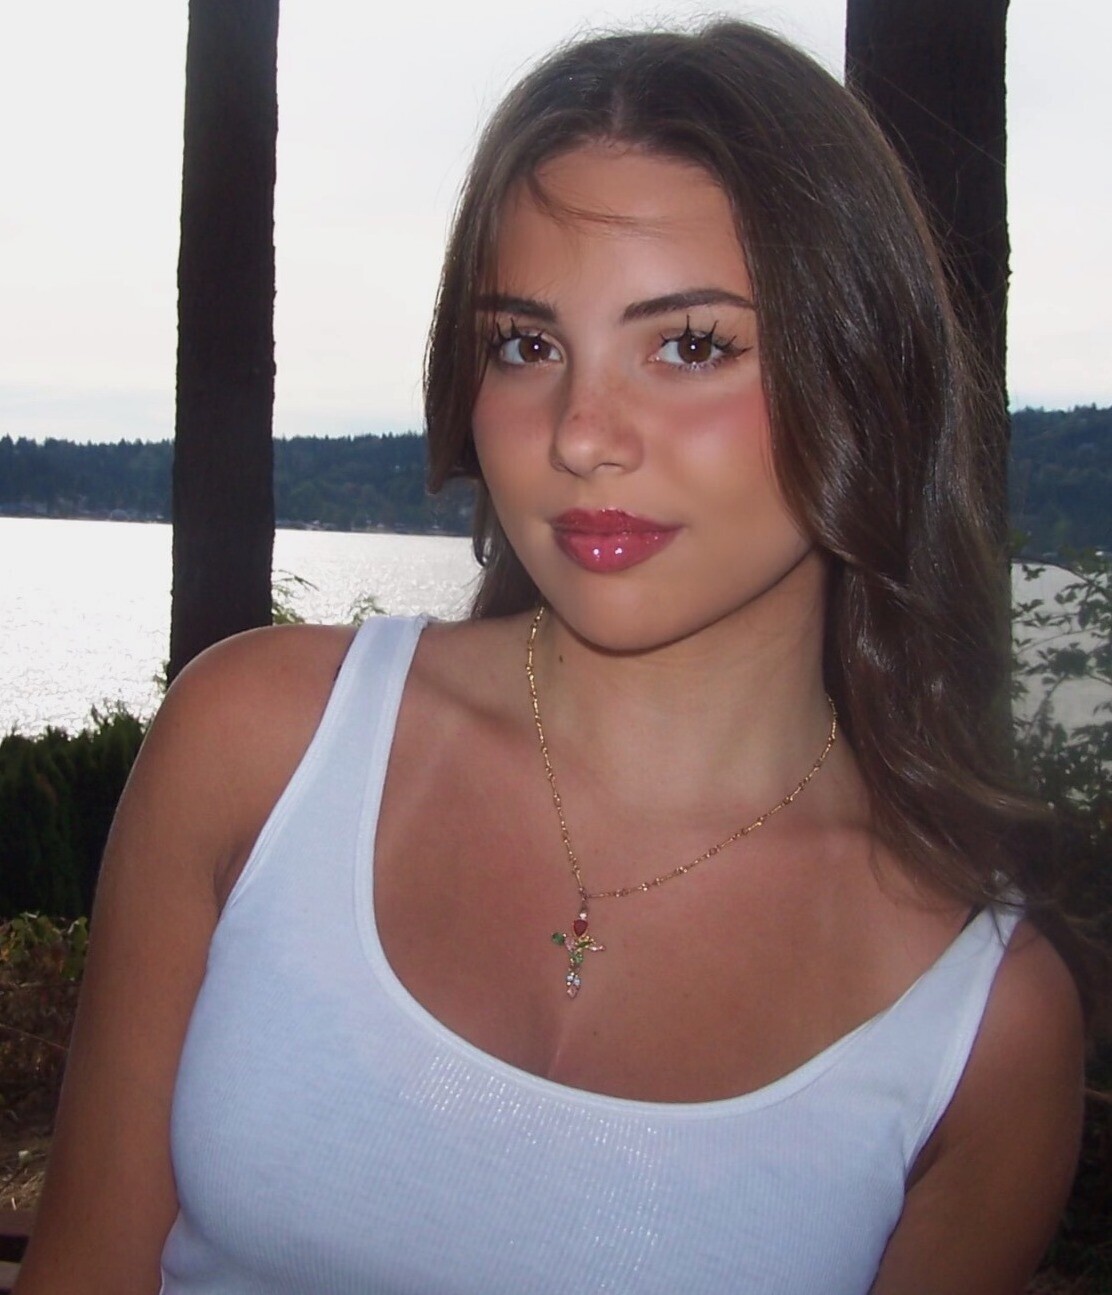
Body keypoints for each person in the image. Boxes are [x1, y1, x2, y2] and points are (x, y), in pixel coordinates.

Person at [17, 20, 1085, 1295]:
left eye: (689, 344)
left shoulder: (979, 1025)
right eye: (526, 345)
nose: (580, 433)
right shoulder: (259, 743)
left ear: (864, 376)